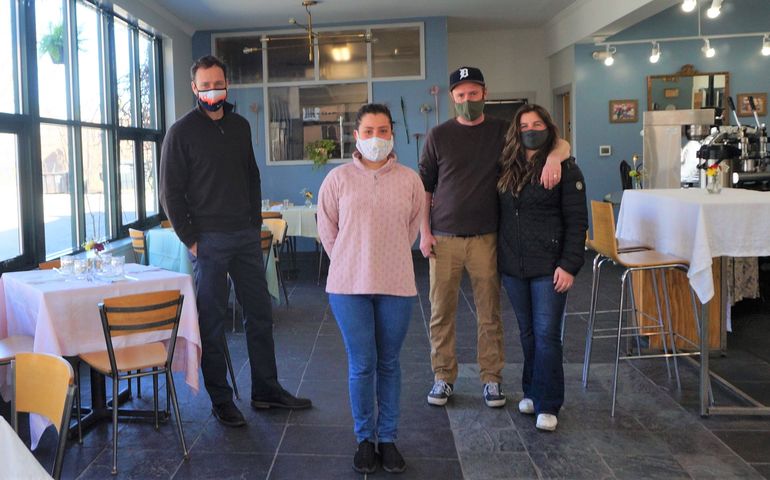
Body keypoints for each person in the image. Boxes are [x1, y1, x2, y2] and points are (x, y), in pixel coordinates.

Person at [159, 55, 311, 428]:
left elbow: (252, 175)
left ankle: (266, 389)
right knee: (211, 322)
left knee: (259, 314)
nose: (213, 89)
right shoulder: (181, 132)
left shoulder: (241, 126)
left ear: (227, 84)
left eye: (218, 83)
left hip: (245, 237)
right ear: (195, 88)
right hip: (207, 241)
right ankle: (221, 400)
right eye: (206, 84)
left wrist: (253, 222)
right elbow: (169, 193)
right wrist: (192, 240)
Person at [418, 66, 570, 408]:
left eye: (473, 94)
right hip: (443, 238)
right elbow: (424, 189)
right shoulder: (438, 136)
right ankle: (442, 376)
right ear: (452, 97)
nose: (467, 100)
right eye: (460, 95)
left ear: (484, 94)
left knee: (489, 312)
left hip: (487, 238)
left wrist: (557, 157)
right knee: (441, 311)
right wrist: (424, 233)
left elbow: (553, 139)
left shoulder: (504, 132)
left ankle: (491, 378)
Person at [317, 104, 424, 474]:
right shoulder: (337, 180)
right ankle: (365, 438)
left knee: (390, 363)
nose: (375, 138)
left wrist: (387, 254)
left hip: (396, 283)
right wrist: (349, 259)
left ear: (392, 133)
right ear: (356, 136)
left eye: (382, 130)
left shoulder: (410, 180)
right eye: (368, 131)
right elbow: (327, 229)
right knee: (363, 364)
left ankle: (389, 438)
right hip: (348, 287)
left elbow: (411, 227)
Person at [496, 104, 587, 431]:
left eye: (537, 124)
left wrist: (569, 265)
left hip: (550, 267)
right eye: (524, 125)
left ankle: (549, 403)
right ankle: (532, 392)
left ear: (549, 128)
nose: (530, 130)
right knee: (528, 333)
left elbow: (577, 223)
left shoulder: (566, 169)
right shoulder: (507, 166)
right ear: (516, 131)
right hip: (514, 266)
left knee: (548, 335)